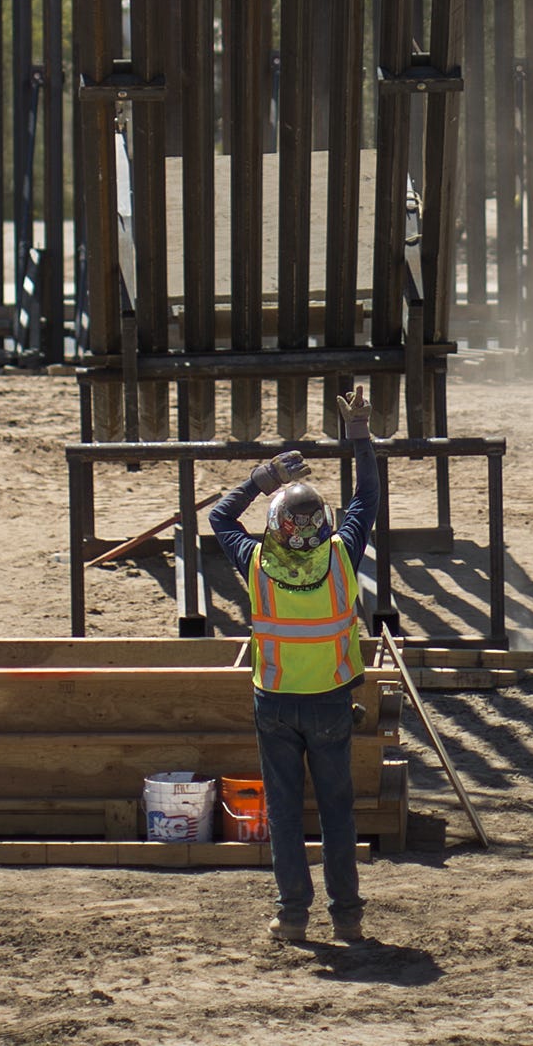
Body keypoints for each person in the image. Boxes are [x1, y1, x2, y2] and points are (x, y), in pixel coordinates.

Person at [205, 389, 388, 947]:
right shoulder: (341, 555)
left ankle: (292, 917)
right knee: (337, 813)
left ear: (277, 524)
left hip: (275, 704)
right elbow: (368, 497)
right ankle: (347, 918)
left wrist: (262, 477)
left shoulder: (256, 561)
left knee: (284, 814)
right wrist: (358, 434)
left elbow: (219, 516)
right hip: (330, 702)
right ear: (322, 523)